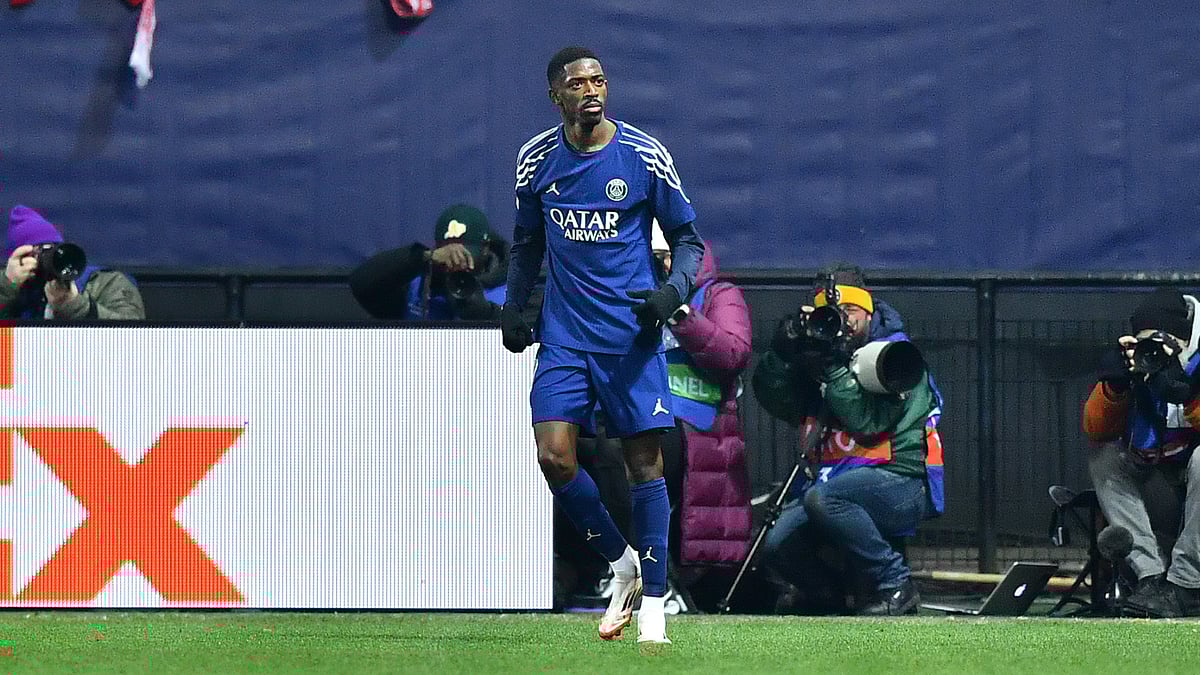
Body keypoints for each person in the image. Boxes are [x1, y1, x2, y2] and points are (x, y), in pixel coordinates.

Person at [500, 46, 705, 645]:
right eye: (578, 83)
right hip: (564, 336)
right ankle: (622, 566)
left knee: (645, 464)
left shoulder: (643, 155)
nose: (592, 90)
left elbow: (689, 241)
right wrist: (515, 308)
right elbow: (526, 244)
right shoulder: (536, 160)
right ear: (555, 95)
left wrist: (670, 294)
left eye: (599, 80)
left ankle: (654, 609)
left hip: (630, 337)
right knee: (553, 457)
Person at [751, 264, 945, 616]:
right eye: (833, 314)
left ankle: (896, 584)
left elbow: (868, 421)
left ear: (869, 311)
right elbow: (775, 401)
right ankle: (826, 596)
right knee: (777, 542)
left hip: (901, 481)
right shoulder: (820, 356)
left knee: (824, 500)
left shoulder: (895, 356)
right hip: (837, 483)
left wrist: (834, 368)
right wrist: (780, 356)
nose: (843, 322)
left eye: (851, 311)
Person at [1084, 287, 1200, 618]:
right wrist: (1115, 387)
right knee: (1104, 456)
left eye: (1161, 345)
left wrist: (1187, 395)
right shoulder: (1138, 371)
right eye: (1144, 344)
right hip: (1162, 487)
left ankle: (1187, 586)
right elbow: (1096, 429)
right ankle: (1150, 577)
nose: (1153, 354)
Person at [651, 221, 753, 570]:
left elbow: (732, 354)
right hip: (645, 414)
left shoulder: (717, 295)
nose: (659, 267)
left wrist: (681, 315)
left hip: (700, 425)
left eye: (664, 258)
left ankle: (662, 578)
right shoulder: (630, 294)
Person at [349, 204, 515, 321]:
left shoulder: (513, 291)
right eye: (448, 255)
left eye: (464, 255)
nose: (456, 263)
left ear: (486, 249)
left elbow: (527, 342)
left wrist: (487, 314)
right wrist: (424, 257)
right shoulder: (415, 290)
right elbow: (361, 284)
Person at [0, 205, 144, 320]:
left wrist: (74, 305)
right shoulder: (11, 286)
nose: (46, 260)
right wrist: (8, 285)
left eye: (53, 250)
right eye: (36, 254)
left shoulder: (105, 283)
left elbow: (135, 337)